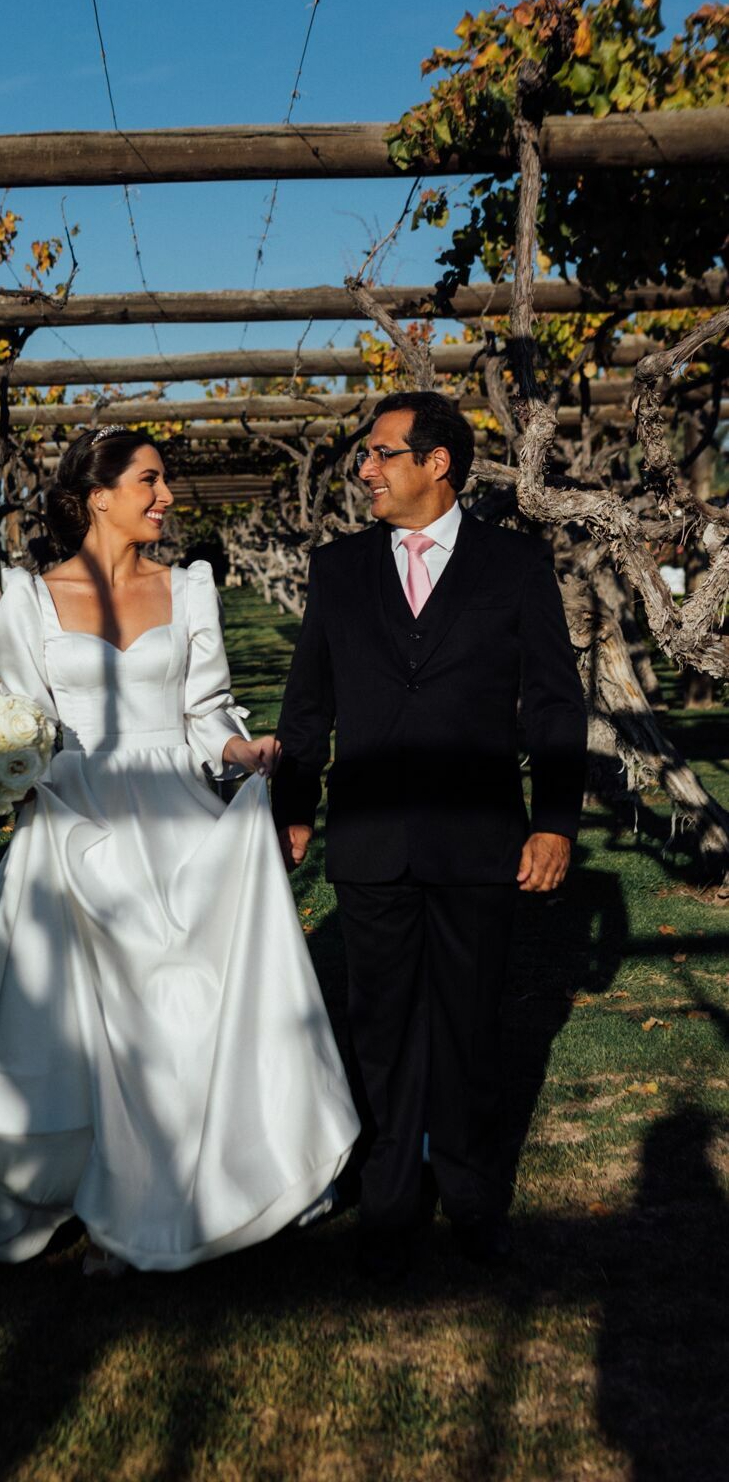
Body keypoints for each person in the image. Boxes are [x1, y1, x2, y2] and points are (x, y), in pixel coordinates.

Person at [0, 426, 359, 1274]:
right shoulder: (27, 601)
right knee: (95, 1016)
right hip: (75, 816)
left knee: (187, 997)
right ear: (97, 495)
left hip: (176, 811)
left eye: (164, 482)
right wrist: (0, 767)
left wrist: (242, 754)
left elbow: (208, 712)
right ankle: (96, 1182)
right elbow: (22, 716)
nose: (166, 497)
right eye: (149, 481)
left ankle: (203, 1177)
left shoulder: (191, 590)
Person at [272, 391, 587, 1280]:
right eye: (364, 457)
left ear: (436, 463)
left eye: (378, 454)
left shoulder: (515, 565)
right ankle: (390, 1200)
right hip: (369, 840)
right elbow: (308, 702)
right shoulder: (337, 569)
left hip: (479, 840)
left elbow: (555, 702)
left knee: (469, 1025)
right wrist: (293, 805)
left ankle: (474, 1194)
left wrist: (555, 822)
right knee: (378, 1024)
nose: (363, 470)